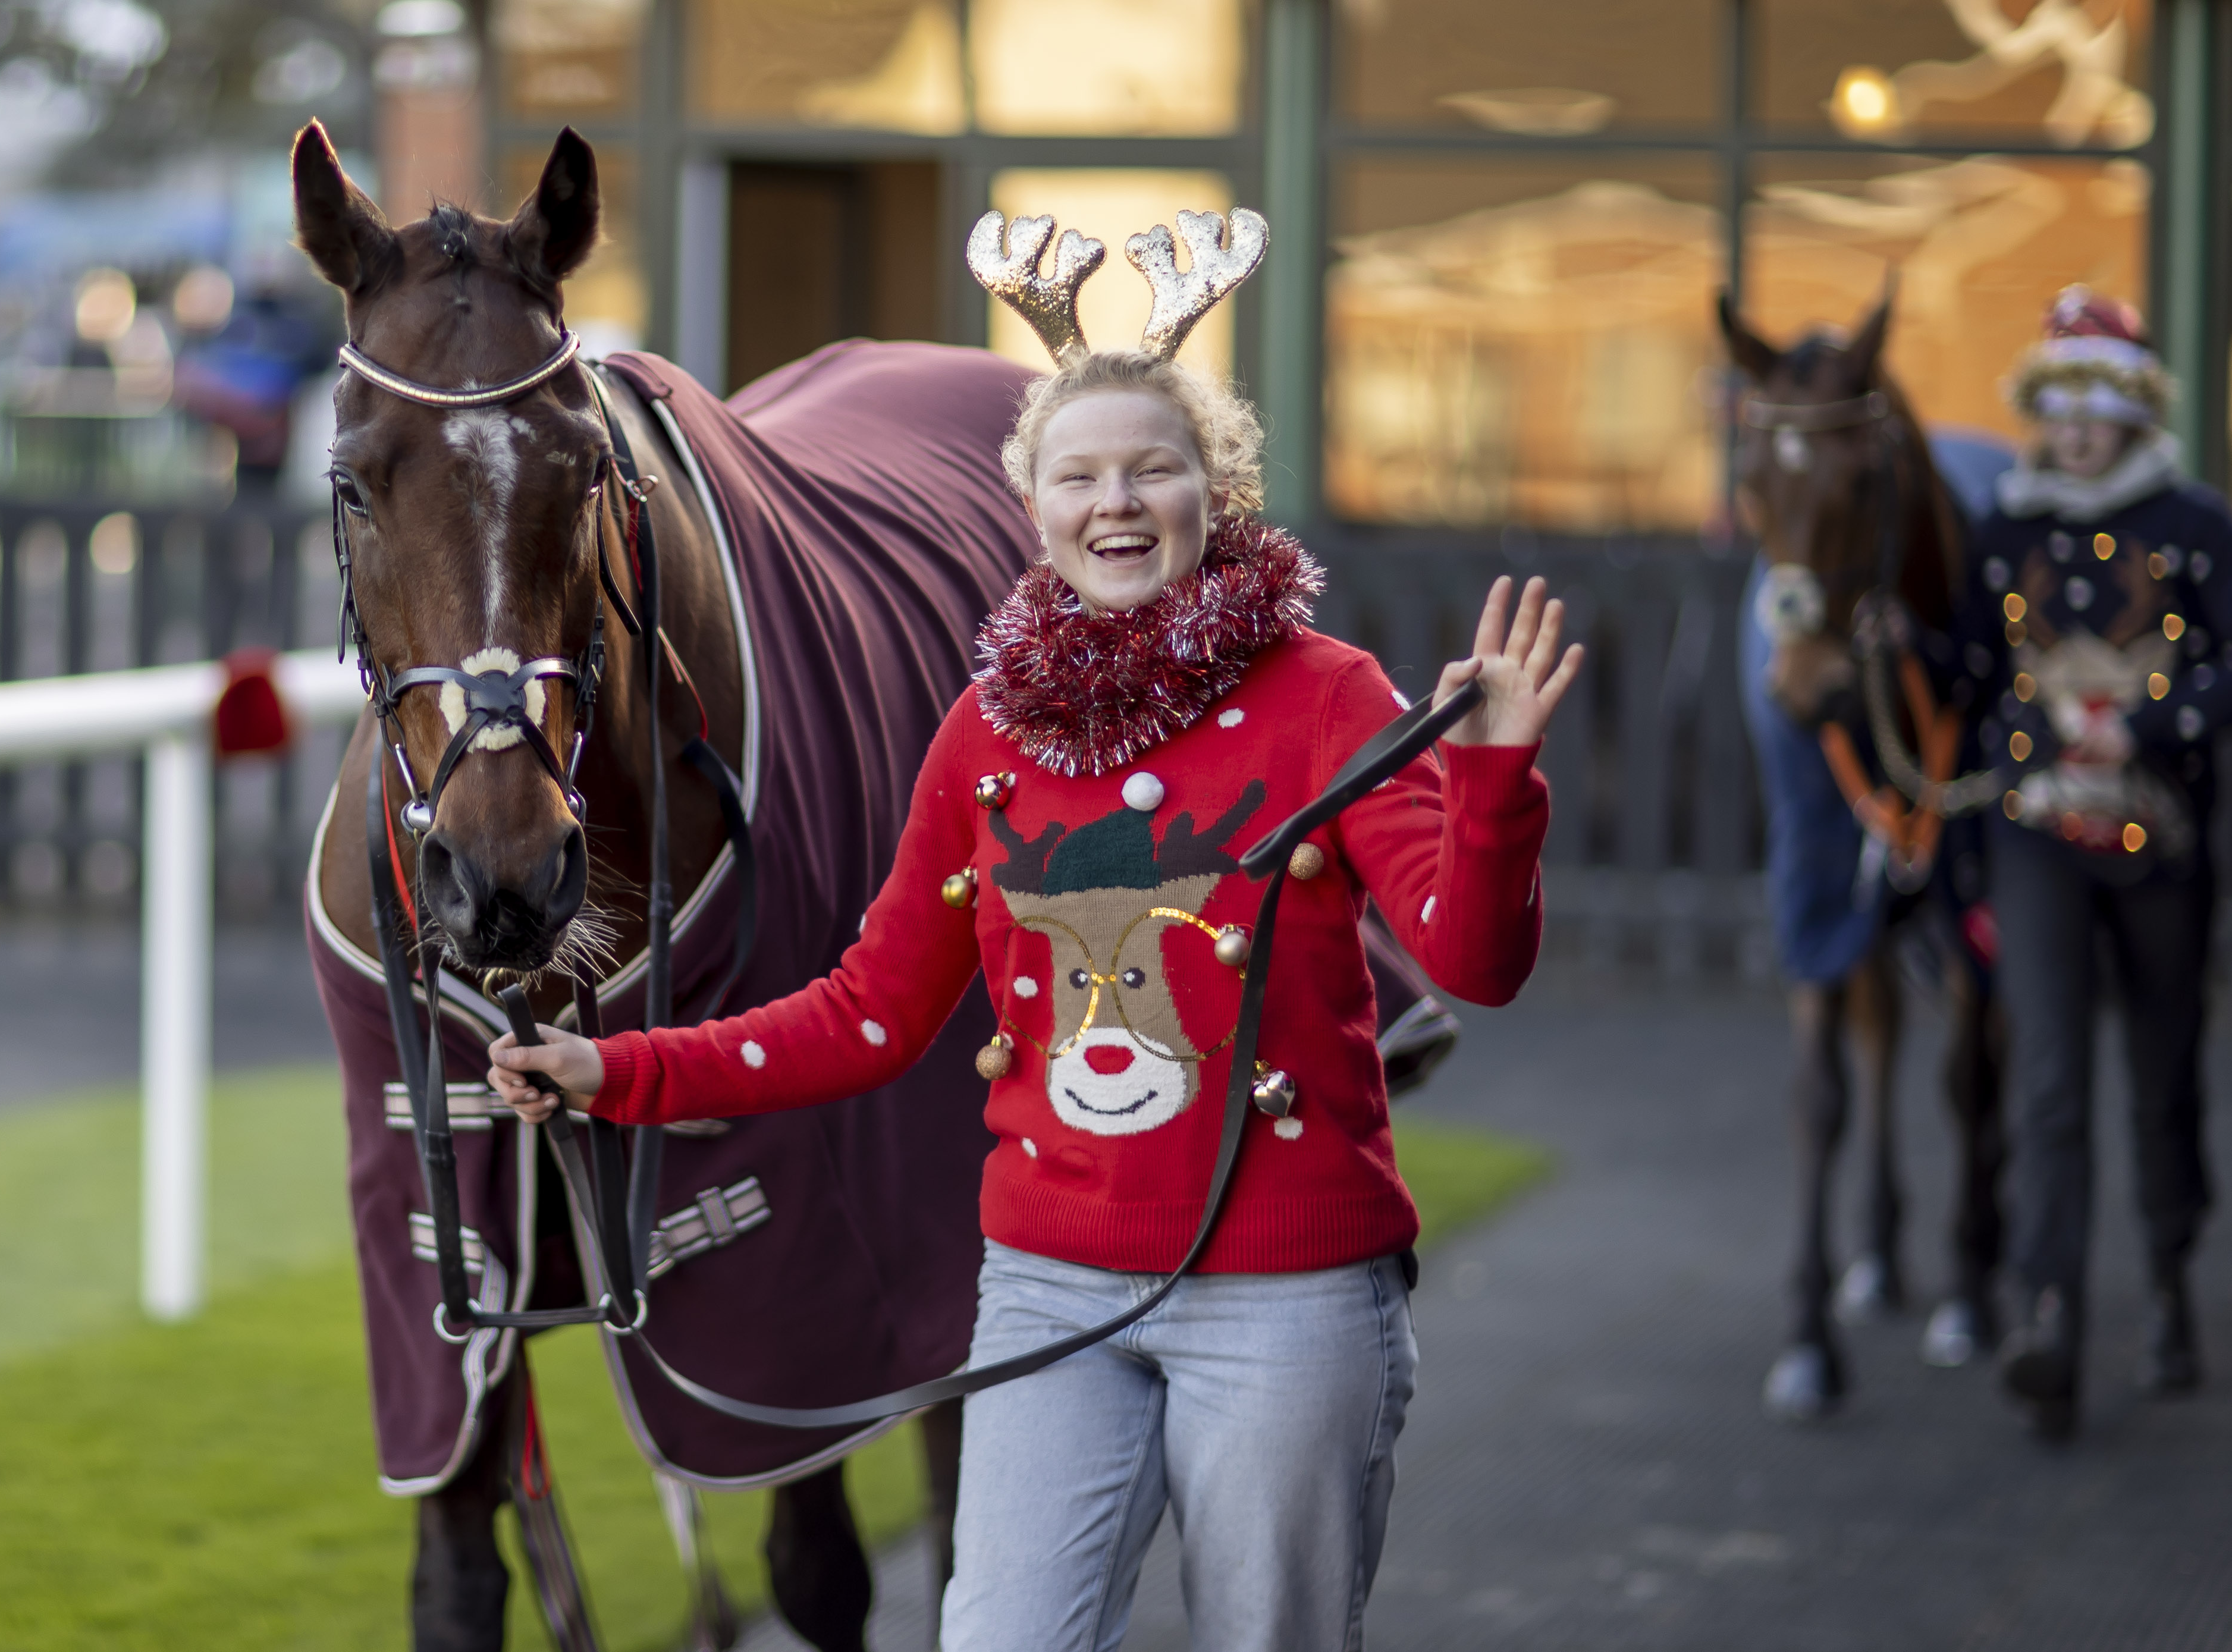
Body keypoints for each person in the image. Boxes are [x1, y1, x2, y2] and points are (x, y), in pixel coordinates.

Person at [485, 212, 1582, 1648]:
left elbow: (1472, 960)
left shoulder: (1328, 695)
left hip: (1289, 1297)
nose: (1114, 503)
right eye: (1079, 476)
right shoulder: (987, 730)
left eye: (1153, 469)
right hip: (1048, 1287)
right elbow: (867, 1012)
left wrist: (1491, 775)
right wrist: (611, 1069)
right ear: (1036, 505)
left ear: (1217, 489)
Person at [1964, 286, 2227, 1439]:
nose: (2074, 423)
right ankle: (2048, 1317)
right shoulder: (2001, 534)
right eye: (2057, 397)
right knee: (2049, 1081)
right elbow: (1968, 688)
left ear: (2130, 404)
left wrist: (2150, 729)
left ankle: (2168, 1279)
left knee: (2162, 1071)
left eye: (2097, 397)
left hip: (2161, 841)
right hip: (2036, 838)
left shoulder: (2197, 527)